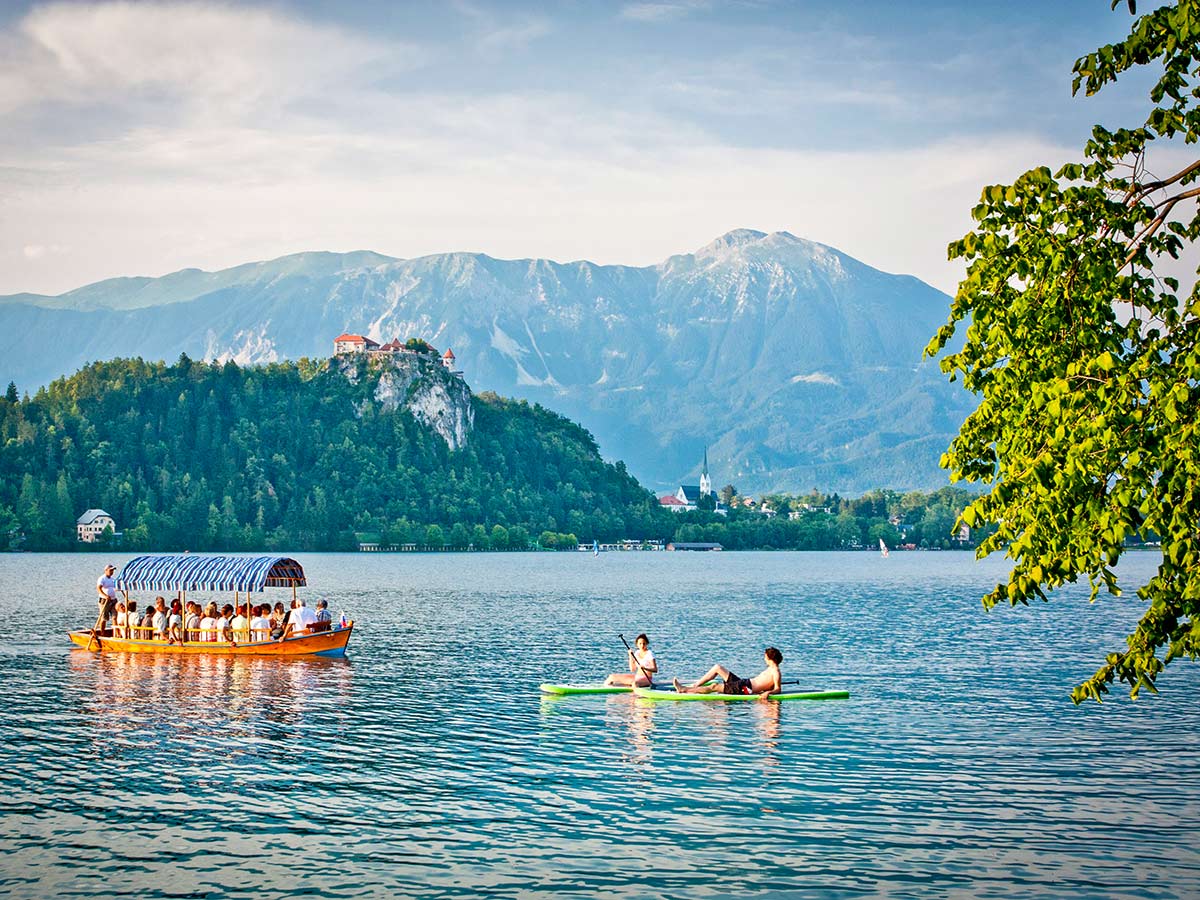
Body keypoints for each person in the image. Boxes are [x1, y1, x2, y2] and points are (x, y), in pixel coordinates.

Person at [672, 648, 783, 697]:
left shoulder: (776, 672)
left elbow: (778, 689)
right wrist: (765, 689)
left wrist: (768, 693)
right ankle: (695, 686)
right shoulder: (770, 669)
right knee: (717, 667)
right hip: (744, 683)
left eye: (765, 656)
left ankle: (684, 690)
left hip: (745, 689)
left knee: (714, 686)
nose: (764, 658)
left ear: (769, 658)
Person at [95, 563, 118, 634]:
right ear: (106, 570)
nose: (112, 572)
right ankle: (102, 633)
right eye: (110, 570)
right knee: (104, 618)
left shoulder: (113, 579)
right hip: (104, 601)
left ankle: (116, 633)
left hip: (113, 600)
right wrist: (105, 596)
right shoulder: (102, 578)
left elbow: (115, 588)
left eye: (112, 570)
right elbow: (99, 589)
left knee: (115, 617)